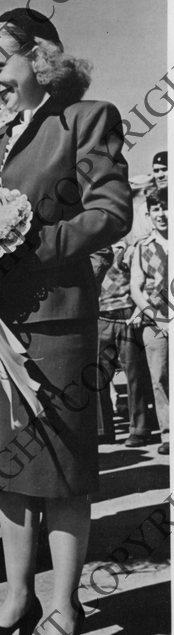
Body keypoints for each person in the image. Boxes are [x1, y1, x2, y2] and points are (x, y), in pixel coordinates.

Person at [0, 9, 132, 635]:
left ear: (39, 58)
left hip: (56, 323)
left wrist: (29, 247)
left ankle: (64, 606)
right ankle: (17, 599)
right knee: (10, 471)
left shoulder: (85, 119)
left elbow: (110, 211)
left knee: (59, 472)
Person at [95, 240, 154, 446]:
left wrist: (139, 311)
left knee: (134, 374)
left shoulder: (128, 250)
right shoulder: (90, 249)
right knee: (98, 375)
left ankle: (139, 429)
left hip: (126, 317)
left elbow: (142, 283)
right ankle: (103, 429)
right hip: (100, 317)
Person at [130, 186, 169, 455]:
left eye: (166, 207)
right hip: (156, 323)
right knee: (160, 378)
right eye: (156, 209)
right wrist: (158, 319)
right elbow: (136, 288)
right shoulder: (143, 248)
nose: (162, 214)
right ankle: (169, 434)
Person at [131, 152, 168, 244]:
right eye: (156, 171)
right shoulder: (145, 208)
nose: (160, 175)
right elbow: (139, 241)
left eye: (165, 169)